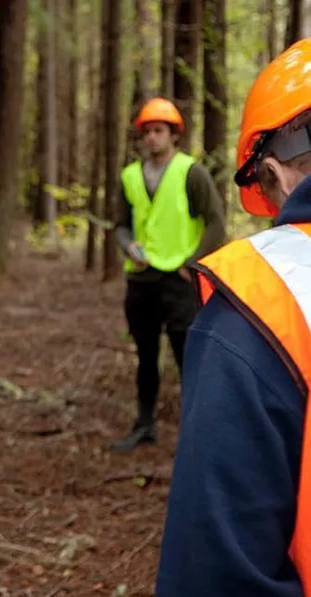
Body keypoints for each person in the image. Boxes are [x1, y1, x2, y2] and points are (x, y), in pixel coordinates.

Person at [156, 39, 311, 595]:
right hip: (147, 280)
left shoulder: (263, 301)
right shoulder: (135, 176)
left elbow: (214, 569)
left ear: (274, 175)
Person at [111, 97, 226, 452]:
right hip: (141, 282)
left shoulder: (191, 172)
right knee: (146, 357)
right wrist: (128, 246)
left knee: (186, 357)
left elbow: (216, 224)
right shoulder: (130, 176)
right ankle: (145, 424)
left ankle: (198, 432)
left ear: (173, 135)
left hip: (179, 283)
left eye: (159, 131)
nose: (152, 138)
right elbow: (120, 225)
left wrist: (191, 264)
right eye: (147, 131)